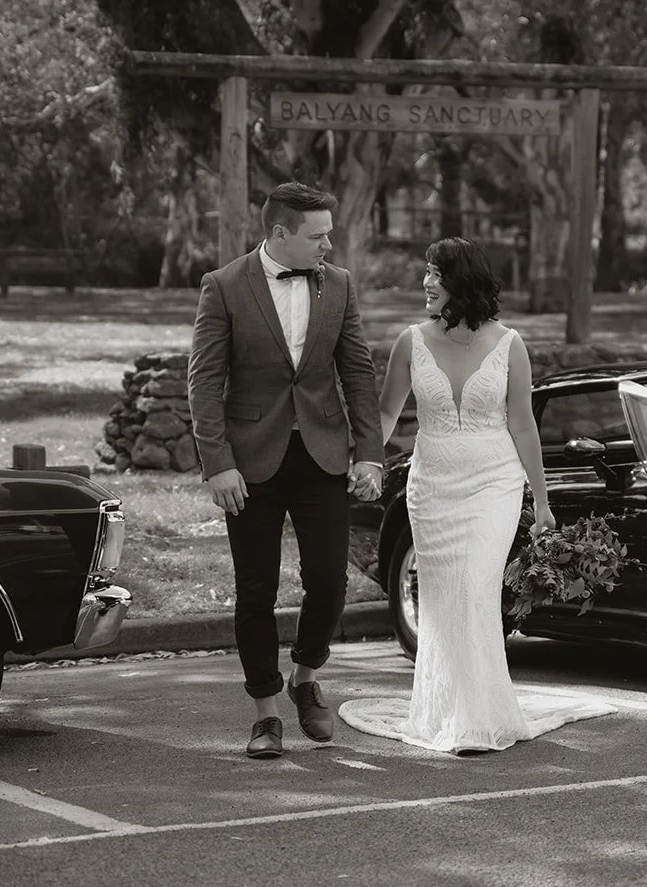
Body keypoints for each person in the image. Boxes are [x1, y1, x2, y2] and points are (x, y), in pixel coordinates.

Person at [338, 237, 614, 754]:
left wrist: (543, 503)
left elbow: (523, 425)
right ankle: (450, 713)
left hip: (494, 484)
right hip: (432, 487)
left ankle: (479, 716)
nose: (425, 282)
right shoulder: (410, 342)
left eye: (434, 273)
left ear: (461, 281)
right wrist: (365, 461)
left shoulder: (509, 344)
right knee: (443, 598)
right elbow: (385, 413)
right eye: (425, 272)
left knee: (474, 587)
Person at [187, 181, 384, 760]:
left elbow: (358, 372)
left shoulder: (339, 284)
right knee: (257, 590)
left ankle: (304, 677)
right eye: (318, 235)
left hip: (323, 454)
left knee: (329, 581)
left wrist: (369, 452)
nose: (328, 245)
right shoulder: (224, 285)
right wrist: (217, 464)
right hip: (250, 463)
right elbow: (204, 382)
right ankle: (265, 713)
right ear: (280, 233)